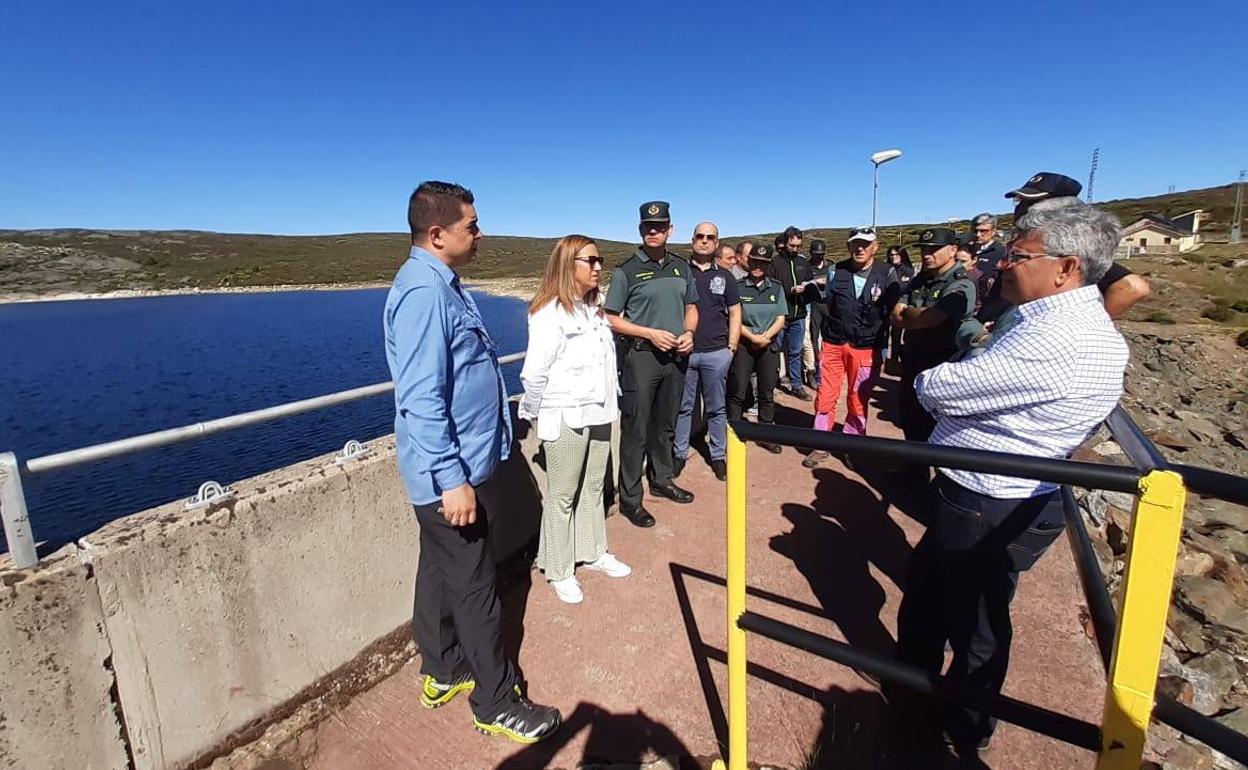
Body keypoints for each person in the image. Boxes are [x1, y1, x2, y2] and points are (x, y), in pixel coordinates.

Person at [894, 201, 1129, 754]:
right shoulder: (1057, 319)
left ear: (1065, 267)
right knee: (956, 601)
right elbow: (975, 376)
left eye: (1019, 256)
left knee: (962, 613)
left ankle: (949, 723)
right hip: (1001, 492)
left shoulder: (1057, 339)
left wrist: (953, 383)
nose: (1002, 264)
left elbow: (937, 390)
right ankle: (937, 700)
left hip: (988, 497)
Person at [384, 181, 561, 744]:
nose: (481, 233)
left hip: (463, 462)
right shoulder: (423, 295)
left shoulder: (441, 284)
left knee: (439, 571)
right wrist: (452, 479)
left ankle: (441, 670)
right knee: (476, 586)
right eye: (472, 226)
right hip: (450, 473)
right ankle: (495, 701)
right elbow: (422, 397)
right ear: (437, 234)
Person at [519, 235, 631, 605]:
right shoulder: (549, 312)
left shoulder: (594, 310)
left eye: (600, 260)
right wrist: (535, 414)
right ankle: (559, 567)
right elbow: (534, 374)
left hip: (599, 410)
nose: (599, 267)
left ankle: (593, 551)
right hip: (566, 414)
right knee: (563, 495)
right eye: (591, 261)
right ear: (568, 265)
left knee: (594, 485)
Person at [604, 201, 699, 528]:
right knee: (636, 429)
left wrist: (689, 332)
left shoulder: (681, 266)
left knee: (666, 425)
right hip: (642, 357)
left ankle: (662, 479)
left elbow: (691, 306)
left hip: (675, 356)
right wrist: (649, 333)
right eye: (648, 227)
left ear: (670, 229)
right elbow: (612, 318)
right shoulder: (626, 270)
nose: (653, 231)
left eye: (659, 227)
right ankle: (631, 500)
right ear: (641, 230)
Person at [804, 227, 899, 467]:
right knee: (825, 393)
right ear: (848, 247)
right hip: (834, 342)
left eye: (865, 244)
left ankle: (853, 444)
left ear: (875, 247)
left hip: (866, 346)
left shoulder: (887, 273)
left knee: (858, 396)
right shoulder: (836, 270)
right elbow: (829, 302)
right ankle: (821, 442)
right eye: (855, 244)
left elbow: (892, 310)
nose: (860, 248)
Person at [1003, 172, 1152, 318]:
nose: (1021, 209)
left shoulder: (1067, 253)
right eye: (1019, 201)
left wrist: (1086, 323)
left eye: (1030, 203)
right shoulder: (1032, 243)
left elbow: (1134, 287)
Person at [889, 228, 977, 443]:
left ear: (953, 250)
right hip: (913, 361)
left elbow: (931, 318)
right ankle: (912, 470)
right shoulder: (921, 279)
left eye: (934, 249)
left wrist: (909, 314)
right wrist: (913, 316)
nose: (927, 254)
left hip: (941, 366)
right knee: (910, 418)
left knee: (939, 429)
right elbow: (894, 314)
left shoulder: (960, 283)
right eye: (924, 249)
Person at [675, 222, 741, 481]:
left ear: (716, 242)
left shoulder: (725, 277)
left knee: (716, 408)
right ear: (692, 240)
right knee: (683, 407)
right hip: (685, 352)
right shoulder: (680, 272)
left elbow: (735, 312)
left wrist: (731, 348)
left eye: (709, 237)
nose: (704, 241)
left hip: (716, 352)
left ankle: (718, 456)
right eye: (699, 236)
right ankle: (679, 454)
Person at [728, 244, 788, 454]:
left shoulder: (776, 287)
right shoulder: (737, 286)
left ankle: (765, 434)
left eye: (762, 263)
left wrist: (766, 337)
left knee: (766, 391)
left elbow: (781, 317)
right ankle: (734, 433)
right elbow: (733, 317)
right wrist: (752, 336)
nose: (757, 266)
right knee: (737, 390)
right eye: (754, 262)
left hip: (768, 344)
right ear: (748, 262)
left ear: (768, 265)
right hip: (744, 344)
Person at [768, 226, 816, 400]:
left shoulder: (803, 262)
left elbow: (810, 282)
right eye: (791, 245)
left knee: (796, 351)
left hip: (799, 314)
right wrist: (789, 290)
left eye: (798, 246)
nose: (795, 249)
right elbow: (771, 287)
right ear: (785, 242)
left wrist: (810, 288)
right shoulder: (775, 263)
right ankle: (770, 384)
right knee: (774, 350)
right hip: (780, 315)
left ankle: (796, 385)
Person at [803, 238, 830, 390]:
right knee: (812, 339)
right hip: (812, 304)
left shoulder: (831, 266)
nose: (819, 256)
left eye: (821, 254)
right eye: (815, 254)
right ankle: (812, 370)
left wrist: (827, 282)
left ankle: (825, 369)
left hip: (828, 304)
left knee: (827, 338)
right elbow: (804, 283)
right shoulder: (806, 266)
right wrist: (813, 282)